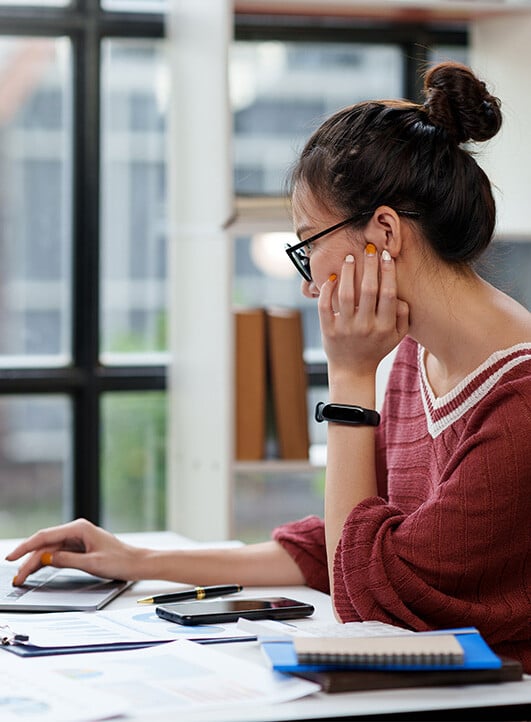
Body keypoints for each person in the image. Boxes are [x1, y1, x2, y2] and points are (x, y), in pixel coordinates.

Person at [6, 62, 530, 672]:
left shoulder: (515, 407)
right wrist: (137, 561)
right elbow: (335, 544)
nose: (309, 284)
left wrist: (351, 377)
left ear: (384, 232)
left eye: (309, 244)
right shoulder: (419, 357)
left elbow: (369, 595)